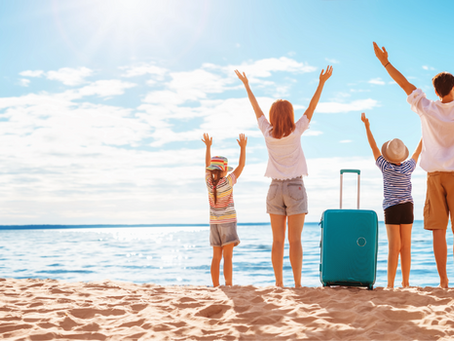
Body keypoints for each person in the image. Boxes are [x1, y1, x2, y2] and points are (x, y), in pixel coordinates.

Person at [235, 66, 332, 288]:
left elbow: (255, 108)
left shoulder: (267, 132)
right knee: (295, 240)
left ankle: (279, 283)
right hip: (295, 188)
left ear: (272, 116)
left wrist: (247, 85)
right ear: (289, 115)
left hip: (274, 190)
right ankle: (297, 284)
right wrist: (321, 82)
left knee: (277, 241)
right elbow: (312, 107)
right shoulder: (297, 130)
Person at [374, 42, 454, 288]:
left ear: (436, 91)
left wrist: (385, 62)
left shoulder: (426, 107)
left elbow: (404, 84)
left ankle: (443, 282)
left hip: (434, 176)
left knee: (438, 230)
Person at [361, 112, 422, 288]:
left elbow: (373, 147)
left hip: (391, 209)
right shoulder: (409, 166)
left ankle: (390, 284)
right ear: (402, 155)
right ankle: (406, 282)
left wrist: (367, 127)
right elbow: (418, 150)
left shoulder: (385, 166)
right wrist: (425, 132)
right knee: (406, 246)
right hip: (407, 207)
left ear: (388, 154)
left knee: (394, 247)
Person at [202, 133, 247, 287]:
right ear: (224, 170)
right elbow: (241, 166)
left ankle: (215, 285)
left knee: (216, 257)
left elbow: (206, 164)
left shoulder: (208, 181)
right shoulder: (228, 182)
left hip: (214, 224)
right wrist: (243, 148)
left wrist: (208, 147)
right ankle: (228, 285)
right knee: (228, 257)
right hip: (228, 223)